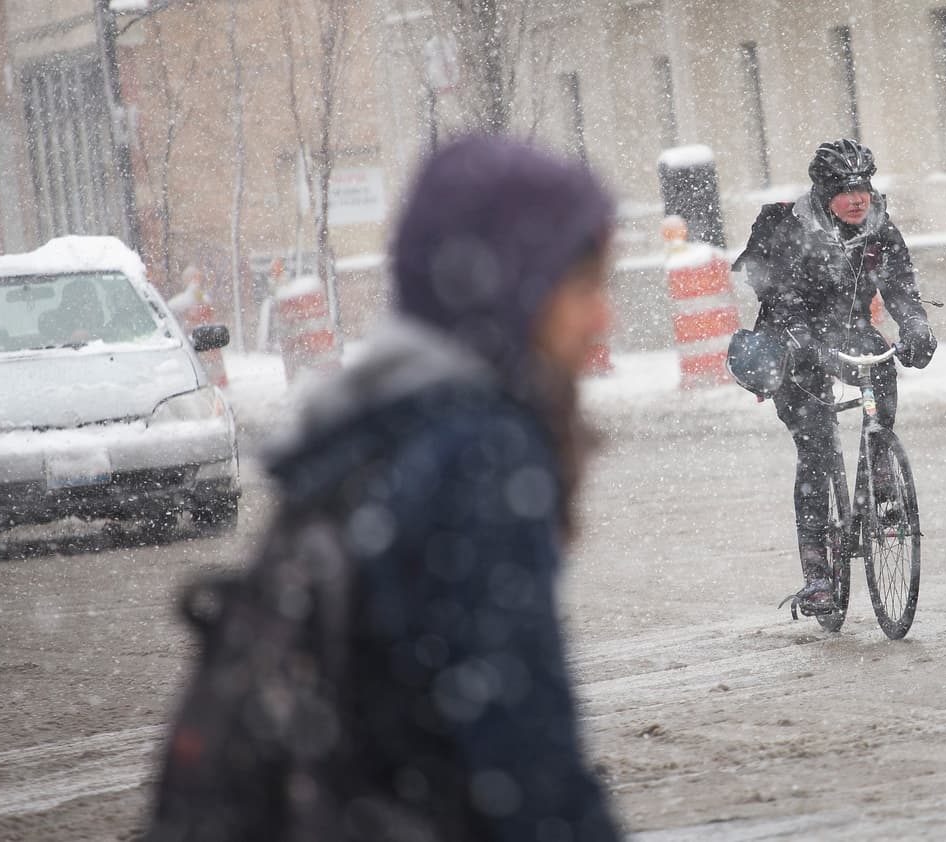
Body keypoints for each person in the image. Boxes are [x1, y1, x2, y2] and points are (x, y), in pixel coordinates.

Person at [145, 134, 622, 841]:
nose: (603, 316)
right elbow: (526, 753)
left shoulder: (363, 425)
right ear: (512, 289)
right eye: (581, 287)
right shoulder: (481, 454)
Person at [734, 139, 937, 615]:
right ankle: (817, 576)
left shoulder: (879, 228)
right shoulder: (791, 227)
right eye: (845, 190)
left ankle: (880, 471)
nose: (857, 198)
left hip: (847, 330)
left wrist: (915, 324)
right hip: (794, 338)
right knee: (817, 447)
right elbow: (777, 294)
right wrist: (802, 338)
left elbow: (900, 287)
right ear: (825, 193)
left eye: (863, 187)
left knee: (880, 375)